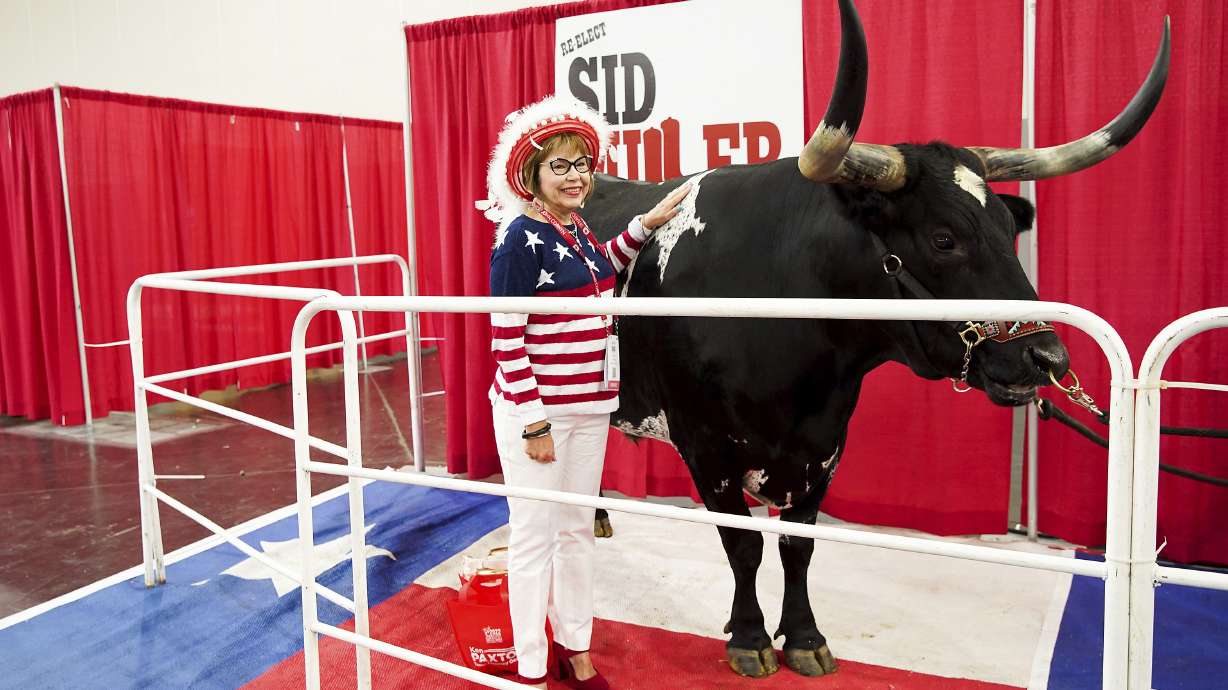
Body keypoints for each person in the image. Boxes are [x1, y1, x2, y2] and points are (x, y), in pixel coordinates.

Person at [484, 94, 690, 689]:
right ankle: (527, 665)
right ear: (532, 175)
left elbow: (603, 268)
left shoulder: (576, 228)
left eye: (582, 165)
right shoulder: (518, 239)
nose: (576, 177)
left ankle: (575, 645)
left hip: (591, 406)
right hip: (541, 413)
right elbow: (505, 336)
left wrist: (646, 224)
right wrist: (532, 420)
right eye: (561, 166)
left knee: (576, 530)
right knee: (534, 535)